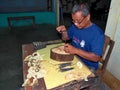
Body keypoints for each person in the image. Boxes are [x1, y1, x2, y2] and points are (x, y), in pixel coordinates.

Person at [56, 3, 105, 71]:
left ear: (88, 17)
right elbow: (65, 38)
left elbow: (96, 58)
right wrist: (64, 31)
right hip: (74, 58)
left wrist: (76, 51)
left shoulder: (97, 34)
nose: (76, 24)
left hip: (88, 65)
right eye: (73, 21)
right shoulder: (75, 26)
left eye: (78, 21)